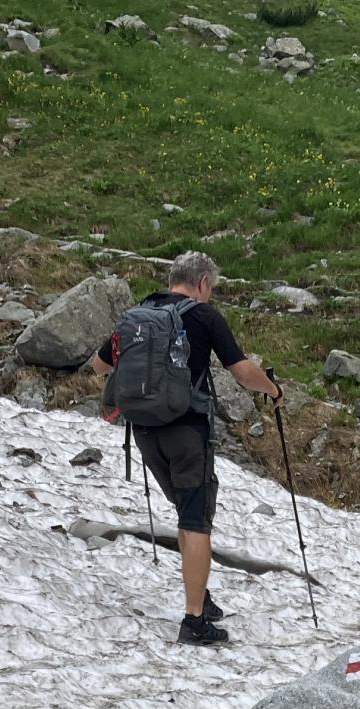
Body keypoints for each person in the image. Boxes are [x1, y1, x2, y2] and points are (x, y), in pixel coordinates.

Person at [89, 251, 280, 647]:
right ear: (204, 283)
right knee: (196, 519)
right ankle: (194, 620)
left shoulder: (139, 313)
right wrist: (274, 390)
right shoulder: (203, 316)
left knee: (184, 511)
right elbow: (242, 372)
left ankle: (201, 596)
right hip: (187, 431)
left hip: (143, 430)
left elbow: (99, 365)